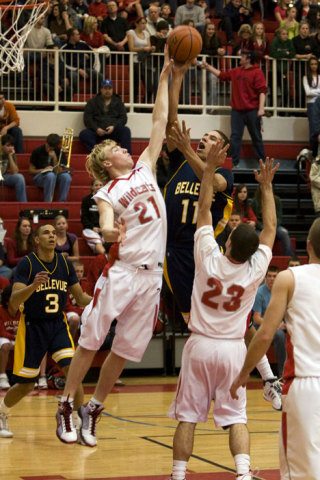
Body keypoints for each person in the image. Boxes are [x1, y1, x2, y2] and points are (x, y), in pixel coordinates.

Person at [55, 47, 175, 447]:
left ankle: (94, 409)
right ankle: (67, 405)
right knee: (91, 340)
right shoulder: (108, 191)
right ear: (107, 161)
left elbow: (159, 120)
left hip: (151, 278)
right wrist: (109, 234)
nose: (126, 147)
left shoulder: (145, 167)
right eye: (117, 149)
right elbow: (105, 223)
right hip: (122, 273)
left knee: (124, 350)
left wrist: (164, 78)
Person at [168, 146, 279, 480]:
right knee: (237, 417)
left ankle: (178, 474)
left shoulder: (208, 257)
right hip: (233, 349)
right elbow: (271, 227)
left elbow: (203, 208)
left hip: (200, 345)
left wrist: (209, 169)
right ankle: (243, 474)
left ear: (228, 244)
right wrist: (267, 186)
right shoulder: (255, 270)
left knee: (187, 417)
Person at [230, 217, 320, 480]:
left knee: (302, 474)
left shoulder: (289, 278)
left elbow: (265, 333)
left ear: (308, 245)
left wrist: (244, 373)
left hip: (306, 386)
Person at [0, 224, 92, 438]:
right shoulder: (27, 264)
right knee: (26, 385)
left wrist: (102, 299)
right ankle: (2, 412)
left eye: (53, 233)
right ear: (37, 240)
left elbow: (79, 298)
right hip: (33, 326)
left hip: (57, 325)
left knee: (74, 374)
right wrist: (32, 286)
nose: (51, 235)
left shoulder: (64, 263)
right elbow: (13, 303)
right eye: (46, 233)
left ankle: (77, 422)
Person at [164, 67, 233, 322]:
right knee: (191, 318)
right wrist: (178, 78)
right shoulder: (179, 163)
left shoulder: (226, 173)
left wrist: (187, 149)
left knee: (220, 313)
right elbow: (172, 121)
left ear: (222, 150)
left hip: (205, 249)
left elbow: (212, 181)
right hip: (175, 248)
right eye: (203, 136)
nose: (204, 139)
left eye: (211, 138)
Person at [203, 51, 266, 168]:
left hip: (252, 110)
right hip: (237, 111)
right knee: (235, 137)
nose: (240, 58)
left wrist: (261, 108)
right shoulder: (237, 71)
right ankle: (234, 162)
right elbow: (222, 75)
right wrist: (208, 67)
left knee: (256, 136)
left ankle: (262, 162)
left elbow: (262, 91)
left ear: (248, 59)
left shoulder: (257, 72)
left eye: (242, 56)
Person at [79, 79, 132, 154]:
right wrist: (96, 129)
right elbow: (87, 119)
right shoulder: (92, 102)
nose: (107, 91)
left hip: (113, 132)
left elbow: (123, 118)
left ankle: (126, 155)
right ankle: (98, 153)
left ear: (112, 89)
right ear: (101, 89)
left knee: (126, 131)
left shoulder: (119, 102)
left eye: (109, 88)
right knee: (84, 134)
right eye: (105, 88)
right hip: (97, 132)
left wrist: (114, 126)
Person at [252, 265, 286, 378]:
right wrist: (274, 324)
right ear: (265, 277)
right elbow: (256, 318)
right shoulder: (260, 293)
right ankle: (277, 373)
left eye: (274, 276)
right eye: (269, 276)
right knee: (279, 335)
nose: (271, 279)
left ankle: (287, 372)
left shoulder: (282, 290)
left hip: (277, 325)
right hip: (261, 326)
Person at [251, 185, 294, 256]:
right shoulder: (254, 201)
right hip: (260, 227)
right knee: (258, 236)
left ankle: (289, 257)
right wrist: (263, 227)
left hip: (274, 226)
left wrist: (271, 227)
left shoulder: (277, 200)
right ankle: (259, 257)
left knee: (284, 233)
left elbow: (279, 217)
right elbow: (254, 218)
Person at [29, 133, 72, 202]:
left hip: (55, 175)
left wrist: (54, 158)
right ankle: (48, 203)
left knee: (66, 177)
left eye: (51, 148)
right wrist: (43, 170)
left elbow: (58, 171)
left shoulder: (60, 152)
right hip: (40, 177)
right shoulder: (37, 151)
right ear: (46, 142)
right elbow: (31, 170)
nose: (48, 149)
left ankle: (62, 202)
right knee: (50, 175)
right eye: (48, 146)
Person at [65, 261, 91, 341]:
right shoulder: (66, 285)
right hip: (69, 311)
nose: (79, 274)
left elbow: (89, 302)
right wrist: (81, 311)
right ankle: (70, 342)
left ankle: (86, 344)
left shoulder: (86, 284)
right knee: (75, 319)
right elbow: (66, 306)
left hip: (82, 310)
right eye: (77, 271)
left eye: (81, 271)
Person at [0, 285, 20, 390]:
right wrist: (14, 336)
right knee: (5, 345)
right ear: (7, 301)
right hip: (4, 338)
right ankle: (2, 376)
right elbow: (2, 332)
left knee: (30, 344)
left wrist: (19, 334)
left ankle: (25, 375)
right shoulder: (1, 311)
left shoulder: (22, 311)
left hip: (16, 337)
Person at [81, 179, 106, 255]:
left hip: (103, 229)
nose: (98, 187)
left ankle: (98, 254)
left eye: (100, 185)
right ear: (92, 187)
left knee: (107, 241)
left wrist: (103, 228)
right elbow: (84, 218)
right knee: (98, 241)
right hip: (90, 229)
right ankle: (106, 258)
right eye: (96, 185)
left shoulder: (106, 200)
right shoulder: (86, 200)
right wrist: (93, 227)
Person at [0, 134, 27, 202]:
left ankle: (23, 206)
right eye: (8, 145)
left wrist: (10, 156)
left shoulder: (12, 154)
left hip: (3, 176)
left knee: (19, 177)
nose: (11, 148)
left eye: (12, 145)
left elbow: (15, 172)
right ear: (1, 146)